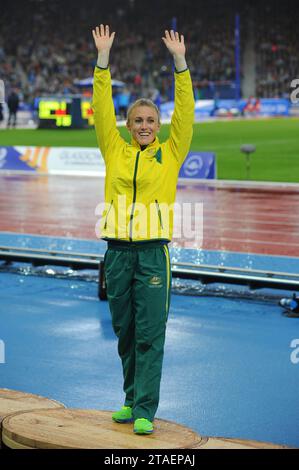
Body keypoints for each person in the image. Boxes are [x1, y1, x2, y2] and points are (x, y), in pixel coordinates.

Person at [92, 24, 194, 435]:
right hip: (116, 253)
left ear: (158, 124)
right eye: (138, 120)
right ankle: (131, 397)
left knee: (151, 334)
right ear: (129, 124)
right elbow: (100, 109)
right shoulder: (113, 149)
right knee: (125, 332)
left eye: (152, 119)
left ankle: (145, 409)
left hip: (153, 255)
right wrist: (103, 60)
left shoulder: (170, 154)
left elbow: (184, 115)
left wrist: (180, 64)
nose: (146, 125)